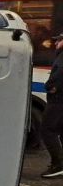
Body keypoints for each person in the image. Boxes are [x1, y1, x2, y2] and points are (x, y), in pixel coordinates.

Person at [41, 33, 63, 178]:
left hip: (58, 100)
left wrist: (49, 86)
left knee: (48, 130)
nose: (56, 43)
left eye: (59, 41)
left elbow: (59, 76)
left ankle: (58, 165)